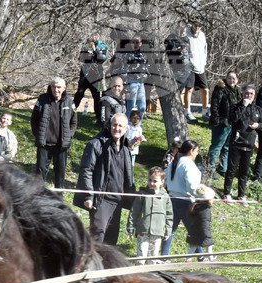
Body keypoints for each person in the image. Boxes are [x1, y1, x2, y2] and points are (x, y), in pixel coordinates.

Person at [75, 113, 134, 246]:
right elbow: (86, 170)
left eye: (120, 126)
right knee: (97, 239)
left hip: (117, 201)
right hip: (101, 200)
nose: (117, 128)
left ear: (126, 129)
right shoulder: (96, 144)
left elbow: (128, 176)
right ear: (110, 125)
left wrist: (133, 198)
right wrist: (89, 196)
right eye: (114, 125)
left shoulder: (126, 148)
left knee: (111, 241)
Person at [166, 139, 215, 260]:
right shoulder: (188, 165)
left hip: (172, 198)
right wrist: (205, 196)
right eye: (196, 151)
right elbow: (193, 188)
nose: (197, 154)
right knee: (194, 229)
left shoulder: (174, 162)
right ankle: (202, 256)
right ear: (191, 151)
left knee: (170, 229)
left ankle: (164, 255)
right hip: (185, 201)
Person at [30, 77, 76, 188]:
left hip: (61, 146)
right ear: (50, 87)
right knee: (40, 173)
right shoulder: (42, 99)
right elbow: (34, 119)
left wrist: (69, 136)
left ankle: (59, 198)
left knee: (60, 174)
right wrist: (38, 134)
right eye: (53, 87)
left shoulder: (69, 101)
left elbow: (74, 122)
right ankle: (38, 196)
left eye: (59, 87)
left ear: (64, 88)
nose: (56, 90)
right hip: (44, 144)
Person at [224, 84, 262, 202]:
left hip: (250, 145)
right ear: (243, 94)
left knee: (244, 172)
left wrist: (259, 125)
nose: (248, 96)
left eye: (251, 94)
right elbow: (232, 119)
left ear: (254, 95)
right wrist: (243, 106)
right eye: (247, 93)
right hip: (236, 143)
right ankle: (227, 193)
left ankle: (241, 195)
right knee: (231, 170)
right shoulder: (235, 107)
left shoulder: (258, 109)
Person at [128, 166, 173, 264]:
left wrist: (168, 230)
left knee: (153, 257)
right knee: (141, 256)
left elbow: (169, 215)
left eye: (155, 181)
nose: (152, 183)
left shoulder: (165, 197)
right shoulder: (143, 194)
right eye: (150, 180)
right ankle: (139, 274)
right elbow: (134, 211)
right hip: (143, 231)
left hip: (157, 232)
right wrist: (131, 227)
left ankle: (151, 276)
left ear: (162, 182)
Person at [207, 71, 239, 176]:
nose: (231, 80)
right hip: (221, 123)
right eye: (229, 78)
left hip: (232, 123)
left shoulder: (237, 91)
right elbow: (214, 105)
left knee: (227, 147)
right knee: (217, 146)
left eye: (233, 78)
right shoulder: (220, 89)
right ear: (226, 78)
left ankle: (223, 168)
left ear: (237, 80)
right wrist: (216, 120)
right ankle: (210, 168)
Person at [74, 36, 109, 109]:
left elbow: (102, 58)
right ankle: (72, 111)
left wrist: (95, 50)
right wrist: (87, 54)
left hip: (96, 75)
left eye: (96, 35)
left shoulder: (103, 46)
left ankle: (98, 116)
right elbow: (80, 58)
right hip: (85, 74)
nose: (94, 37)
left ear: (99, 36)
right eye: (93, 35)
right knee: (79, 93)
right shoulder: (85, 45)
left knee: (96, 96)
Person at [183, 24, 209, 120]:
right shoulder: (186, 33)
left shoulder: (202, 35)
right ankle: (187, 112)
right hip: (190, 66)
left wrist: (204, 62)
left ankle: (205, 113)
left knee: (205, 90)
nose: (197, 28)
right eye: (195, 25)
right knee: (189, 89)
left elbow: (205, 49)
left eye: (199, 26)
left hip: (200, 66)